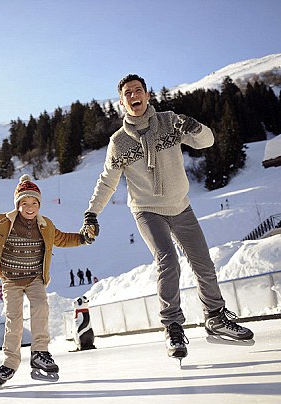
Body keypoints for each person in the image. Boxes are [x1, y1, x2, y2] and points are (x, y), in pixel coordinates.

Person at [80, 74, 253, 361]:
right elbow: (107, 181)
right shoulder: (119, 142)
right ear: (122, 102)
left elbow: (206, 142)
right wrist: (91, 213)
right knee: (167, 260)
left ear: (147, 95)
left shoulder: (170, 121)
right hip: (147, 210)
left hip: (180, 206)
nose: (134, 95)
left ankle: (215, 317)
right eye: (127, 93)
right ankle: (172, 326)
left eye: (138, 90)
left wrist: (196, 127)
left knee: (204, 264)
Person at [0, 174, 89, 388]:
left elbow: (62, 239)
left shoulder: (46, 225)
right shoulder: (3, 222)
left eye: (34, 203)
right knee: (14, 319)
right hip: (11, 279)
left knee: (41, 306)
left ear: (39, 204)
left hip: (34, 278)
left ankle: (40, 353)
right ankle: (10, 362)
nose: (30, 207)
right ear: (18, 204)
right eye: (25, 203)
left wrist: (82, 237)